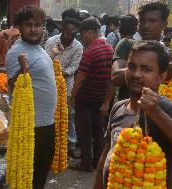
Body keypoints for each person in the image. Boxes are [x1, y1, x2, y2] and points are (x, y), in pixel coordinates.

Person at [94, 41, 172, 189]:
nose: (136, 74)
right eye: (131, 66)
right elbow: (106, 156)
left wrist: (156, 113)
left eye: (146, 69)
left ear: (161, 76)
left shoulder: (167, 109)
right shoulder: (119, 107)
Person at [6, 5, 58, 189]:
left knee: (41, 172)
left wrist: (52, 56)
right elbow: (12, 86)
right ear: (19, 27)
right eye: (28, 25)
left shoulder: (39, 49)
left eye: (38, 24)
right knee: (28, 179)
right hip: (31, 127)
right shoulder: (16, 52)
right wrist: (22, 69)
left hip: (46, 123)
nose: (34, 29)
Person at [69, 17, 114, 171]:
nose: (82, 38)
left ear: (89, 33)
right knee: (98, 131)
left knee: (84, 132)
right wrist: (106, 101)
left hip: (86, 99)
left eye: (82, 35)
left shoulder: (90, 51)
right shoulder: (109, 49)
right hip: (100, 98)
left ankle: (86, 163)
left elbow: (81, 76)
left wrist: (72, 96)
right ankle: (97, 161)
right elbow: (112, 78)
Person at [111, 1, 170, 102]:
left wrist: (171, 67)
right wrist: (149, 69)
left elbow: (165, 83)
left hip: (155, 110)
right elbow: (115, 77)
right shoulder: (127, 44)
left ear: (164, 24)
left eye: (152, 21)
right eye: (142, 21)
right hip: (128, 110)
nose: (146, 25)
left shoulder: (165, 51)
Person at [45, 18, 83, 159]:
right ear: (62, 30)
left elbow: (75, 66)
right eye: (67, 34)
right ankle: (53, 143)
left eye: (72, 35)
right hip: (49, 84)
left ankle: (71, 145)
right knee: (52, 115)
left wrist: (61, 73)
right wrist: (53, 69)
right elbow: (46, 60)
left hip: (66, 85)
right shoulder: (51, 42)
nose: (69, 37)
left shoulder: (78, 46)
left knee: (69, 116)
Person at [100, 14, 138, 117]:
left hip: (125, 98)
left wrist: (106, 102)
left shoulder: (124, 43)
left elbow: (115, 76)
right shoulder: (139, 43)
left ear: (120, 28)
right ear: (135, 29)